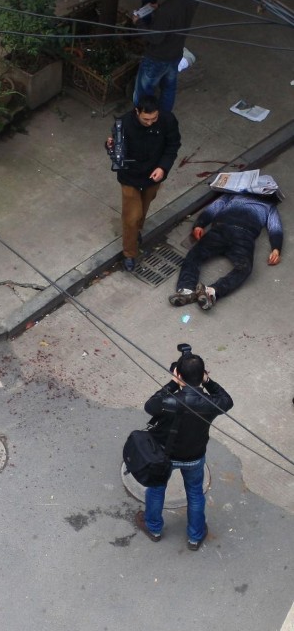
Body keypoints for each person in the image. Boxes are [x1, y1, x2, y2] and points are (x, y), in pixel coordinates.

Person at [135, 348, 233, 551]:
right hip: (195, 455)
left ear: (178, 374)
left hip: (165, 455)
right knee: (195, 494)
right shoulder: (210, 402)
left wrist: (173, 383)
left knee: (156, 489)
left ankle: (153, 528)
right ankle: (195, 537)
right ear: (203, 374)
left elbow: (149, 406)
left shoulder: (168, 401)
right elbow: (227, 400)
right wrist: (208, 382)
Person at [168, 192, 283, 310]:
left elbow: (275, 227)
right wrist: (200, 224)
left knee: (245, 268)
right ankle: (187, 290)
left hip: (244, 235)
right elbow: (213, 208)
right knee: (195, 254)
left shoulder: (269, 205)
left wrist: (276, 248)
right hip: (221, 229)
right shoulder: (234, 193)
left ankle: (211, 292)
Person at [105, 95, 181, 271]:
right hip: (130, 176)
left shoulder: (168, 120)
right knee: (131, 217)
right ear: (137, 111)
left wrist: (163, 167)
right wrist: (110, 147)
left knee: (142, 210)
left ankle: (134, 234)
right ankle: (129, 253)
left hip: (152, 176)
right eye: (146, 119)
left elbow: (173, 145)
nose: (151, 122)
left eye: (154, 118)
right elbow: (116, 152)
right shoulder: (123, 124)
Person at [132, 0, 198, 114]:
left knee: (143, 92)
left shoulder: (166, 11)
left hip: (156, 58)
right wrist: (159, 8)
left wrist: (138, 22)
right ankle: (164, 117)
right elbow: (176, 15)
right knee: (168, 89)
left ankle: (143, 119)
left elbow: (155, 38)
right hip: (175, 53)